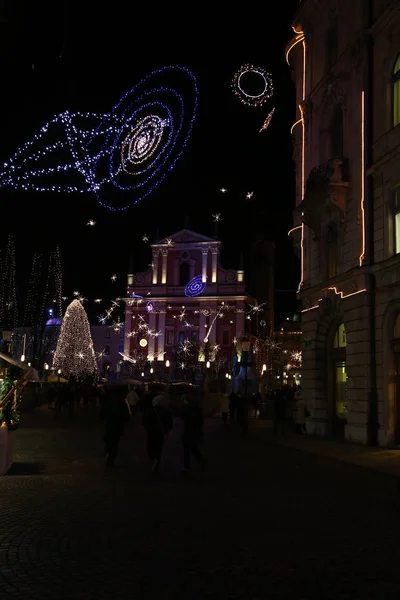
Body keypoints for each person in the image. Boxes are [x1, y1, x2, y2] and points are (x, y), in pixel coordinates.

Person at [142, 390, 173, 474]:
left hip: (152, 431)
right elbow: (170, 423)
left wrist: (148, 428)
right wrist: (166, 430)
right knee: (158, 447)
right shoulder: (167, 412)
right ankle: (157, 459)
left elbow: (145, 421)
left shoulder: (151, 410)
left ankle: (153, 458)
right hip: (161, 432)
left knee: (150, 446)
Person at [100, 386, 130, 467]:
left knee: (108, 438)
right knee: (115, 440)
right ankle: (111, 456)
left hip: (109, 423)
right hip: (118, 424)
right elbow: (126, 414)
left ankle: (108, 452)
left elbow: (102, 413)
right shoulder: (122, 401)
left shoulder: (108, 400)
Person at [178, 395, 205, 473]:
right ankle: (199, 461)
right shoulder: (195, 409)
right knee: (192, 448)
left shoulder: (189, 410)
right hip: (193, 432)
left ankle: (187, 466)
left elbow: (184, 417)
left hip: (190, 432)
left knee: (189, 449)